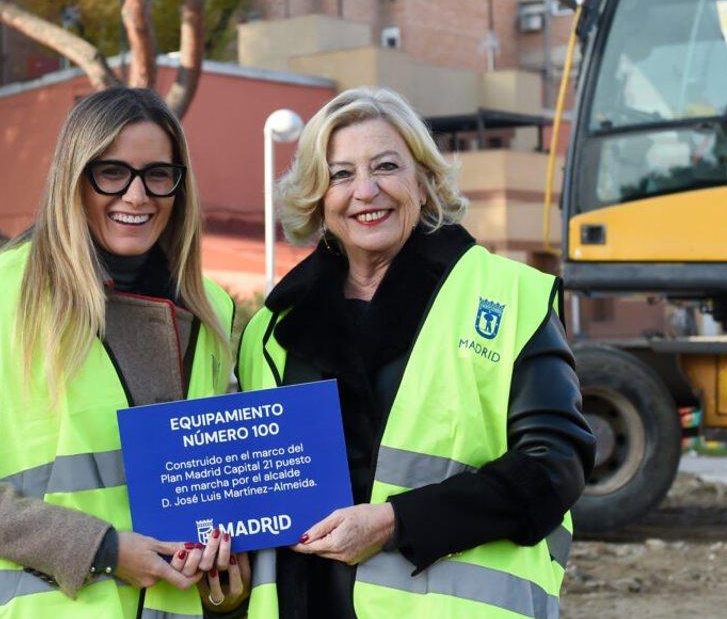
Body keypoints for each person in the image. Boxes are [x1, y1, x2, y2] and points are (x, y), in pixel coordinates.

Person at [236, 87, 595, 619]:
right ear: (317, 197)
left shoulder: (503, 296)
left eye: (386, 166)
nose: (366, 191)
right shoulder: (271, 329)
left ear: (424, 184)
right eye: (340, 174)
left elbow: (555, 465)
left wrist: (396, 521)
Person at [0, 87, 248, 617]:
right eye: (111, 172)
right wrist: (102, 551)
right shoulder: (1, 293)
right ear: (74, 177)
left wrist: (224, 572)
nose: (137, 196)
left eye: (158, 174)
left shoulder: (212, 312)